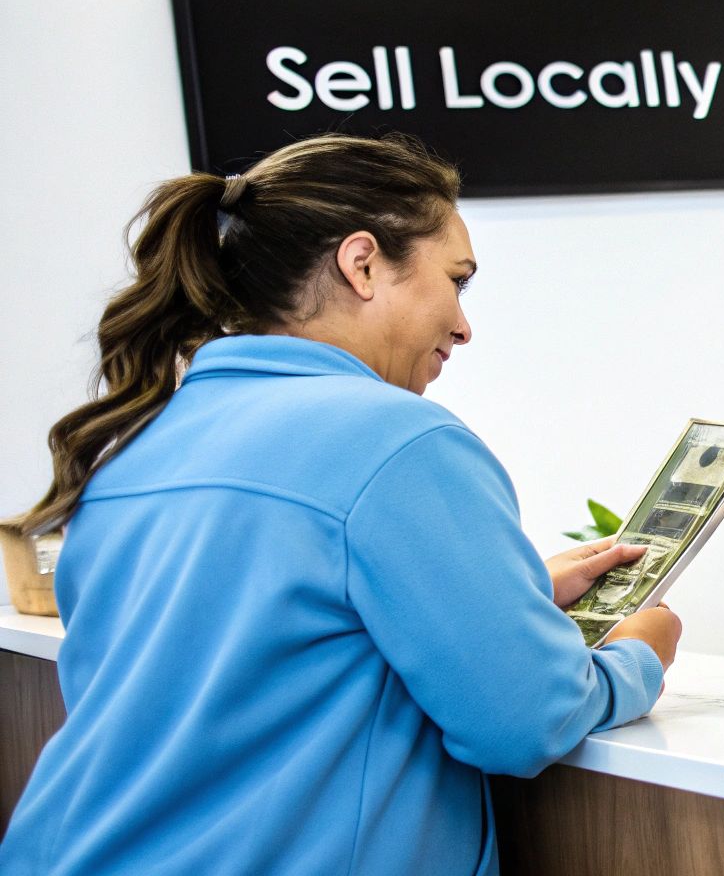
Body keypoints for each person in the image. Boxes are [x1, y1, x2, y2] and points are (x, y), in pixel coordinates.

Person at [0, 134, 682, 875]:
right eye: (457, 281)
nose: (463, 324)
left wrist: (503, 598)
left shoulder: (135, 446)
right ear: (361, 264)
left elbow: (230, 649)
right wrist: (639, 653)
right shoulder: (397, 438)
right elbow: (524, 720)